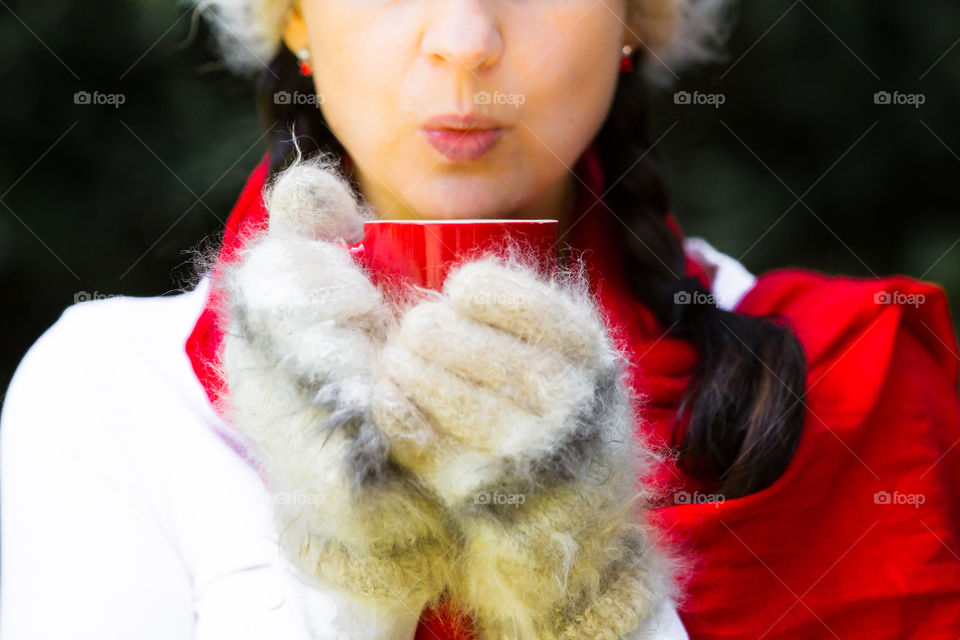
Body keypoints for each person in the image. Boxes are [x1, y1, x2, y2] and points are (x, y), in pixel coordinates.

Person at [2, 0, 959, 638]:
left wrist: (592, 600)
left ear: (634, 16)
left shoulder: (847, 378)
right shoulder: (110, 391)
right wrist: (346, 580)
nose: (464, 38)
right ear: (293, 16)